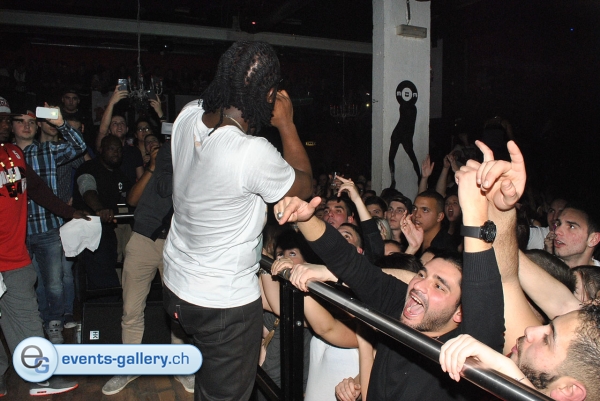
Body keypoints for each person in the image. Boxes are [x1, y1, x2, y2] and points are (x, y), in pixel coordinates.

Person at [272, 157, 505, 400]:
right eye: (422, 275)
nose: (420, 285)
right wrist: (306, 219)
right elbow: (350, 263)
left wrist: (476, 212)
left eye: (439, 286)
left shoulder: (465, 357)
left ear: (460, 313)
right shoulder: (397, 307)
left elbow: (485, 311)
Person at [161, 41, 312, 401]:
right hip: (223, 305)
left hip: (175, 287)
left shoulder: (187, 115)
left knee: (210, 385)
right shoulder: (250, 153)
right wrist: (287, 125)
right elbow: (304, 185)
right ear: (270, 94)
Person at [0, 96, 87, 396]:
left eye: (7, 118)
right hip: (7, 253)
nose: (5, 124)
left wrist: (70, 212)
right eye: (3, 119)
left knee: (29, 315)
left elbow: (37, 189)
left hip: (17, 256)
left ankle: (40, 376)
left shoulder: (15, 153)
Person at [12, 105, 86, 344]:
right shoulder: (6, 156)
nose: (26, 126)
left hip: (47, 227)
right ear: (11, 126)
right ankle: (37, 323)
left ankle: (54, 323)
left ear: (37, 127)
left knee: (54, 283)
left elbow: (80, 147)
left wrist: (61, 122)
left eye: (31, 122)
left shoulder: (48, 150)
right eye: (20, 121)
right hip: (17, 232)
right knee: (30, 284)